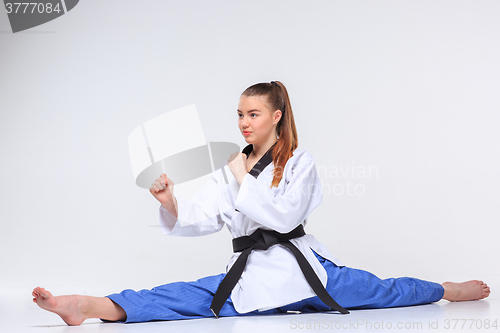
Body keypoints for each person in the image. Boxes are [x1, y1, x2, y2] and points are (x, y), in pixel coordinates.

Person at [32, 81, 490, 326]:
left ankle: (447, 289)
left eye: (252, 114)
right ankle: (88, 306)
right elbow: (203, 218)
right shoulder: (233, 165)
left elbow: (286, 217)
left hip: (305, 273)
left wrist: (241, 178)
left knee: (384, 292)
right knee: (179, 296)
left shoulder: (299, 163)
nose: (244, 122)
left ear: (275, 116)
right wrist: (172, 203)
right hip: (251, 275)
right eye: (239, 114)